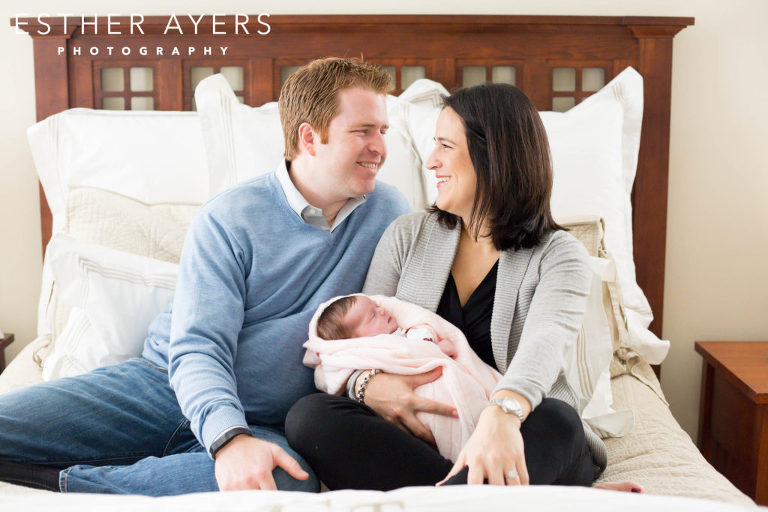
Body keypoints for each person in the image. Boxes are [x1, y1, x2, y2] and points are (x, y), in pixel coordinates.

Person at [0, 57, 410, 496]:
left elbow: (402, 320)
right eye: (363, 131)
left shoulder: (390, 213)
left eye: (383, 131)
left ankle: (66, 485)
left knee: (287, 482)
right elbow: (198, 345)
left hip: (266, 421)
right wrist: (227, 437)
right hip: (161, 389)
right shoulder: (230, 217)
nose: (380, 148)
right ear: (311, 137)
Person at [286, 83, 642, 493]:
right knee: (308, 417)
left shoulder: (560, 256)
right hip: (423, 438)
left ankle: (450, 499)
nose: (431, 161)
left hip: (519, 436)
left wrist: (501, 414)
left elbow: (542, 348)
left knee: (558, 420)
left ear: (494, 156)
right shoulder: (406, 236)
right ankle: (506, 501)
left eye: (445, 146)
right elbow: (359, 347)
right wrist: (369, 384)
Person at [315, 294, 457, 357]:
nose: (382, 310)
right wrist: (438, 349)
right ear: (357, 342)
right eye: (372, 316)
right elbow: (413, 355)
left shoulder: (399, 335)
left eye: (376, 306)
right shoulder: (380, 349)